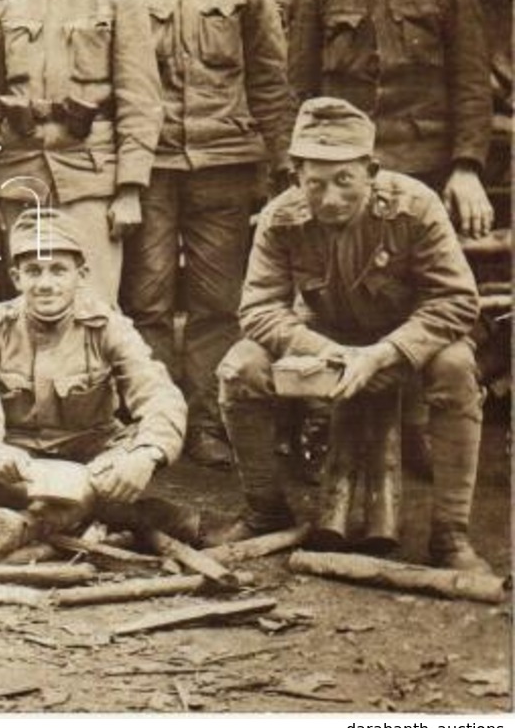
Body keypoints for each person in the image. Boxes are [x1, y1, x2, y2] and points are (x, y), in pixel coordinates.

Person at [210, 99, 490, 574]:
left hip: (405, 342)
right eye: (314, 183)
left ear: (371, 170)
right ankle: (265, 512)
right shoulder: (281, 218)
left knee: (457, 368)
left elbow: (458, 301)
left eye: (345, 180)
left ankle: (450, 535)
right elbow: (258, 309)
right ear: (296, 174)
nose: (330, 197)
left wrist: (385, 354)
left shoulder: (415, 207)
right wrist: (329, 353)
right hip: (324, 343)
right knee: (240, 368)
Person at [287, 0, 496, 474]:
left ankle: (421, 431)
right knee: (346, 300)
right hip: (344, 182)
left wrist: (467, 168)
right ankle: (341, 434)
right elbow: (298, 94)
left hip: (428, 172)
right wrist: (299, 179)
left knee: (426, 302)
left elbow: (471, 84)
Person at [121, 0, 295, 467]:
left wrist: (281, 167)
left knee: (217, 301)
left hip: (226, 162)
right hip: (154, 164)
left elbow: (270, 80)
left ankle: (207, 421)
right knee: (146, 297)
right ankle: (157, 416)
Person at [0, 208, 191, 552]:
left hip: (92, 456)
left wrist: (146, 455)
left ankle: (31, 522)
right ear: (16, 277)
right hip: (18, 464)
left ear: (81, 274)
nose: (45, 284)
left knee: (127, 464)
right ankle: (137, 515)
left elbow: (157, 393)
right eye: (33, 271)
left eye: (58, 270)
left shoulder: (107, 326)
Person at [0, 0, 161, 303]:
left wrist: (130, 189)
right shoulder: (6, 2)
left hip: (89, 180)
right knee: (26, 308)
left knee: (93, 306)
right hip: (18, 180)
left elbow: (140, 101)